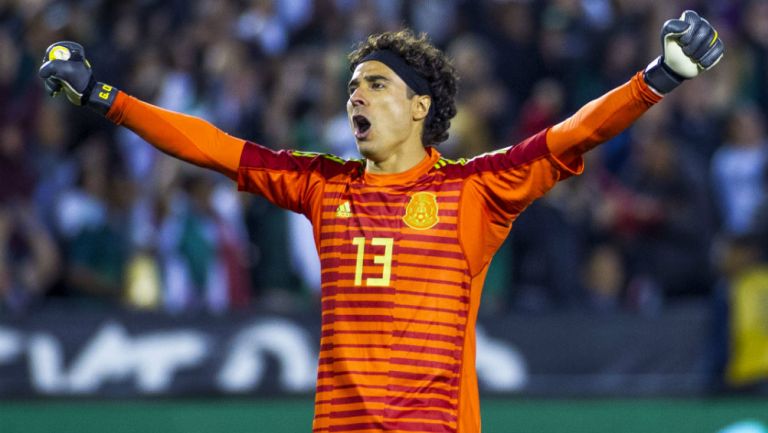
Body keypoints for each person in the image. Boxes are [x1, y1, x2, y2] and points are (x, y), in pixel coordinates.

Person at [38, 10, 723, 433]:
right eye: (351, 85)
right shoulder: (321, 186)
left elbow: (569, 136)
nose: (354, 95)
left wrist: (657, 76)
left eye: (375, 83)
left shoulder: (473, 191)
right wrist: (106, 97)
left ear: (421, 106)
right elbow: (214, 147)